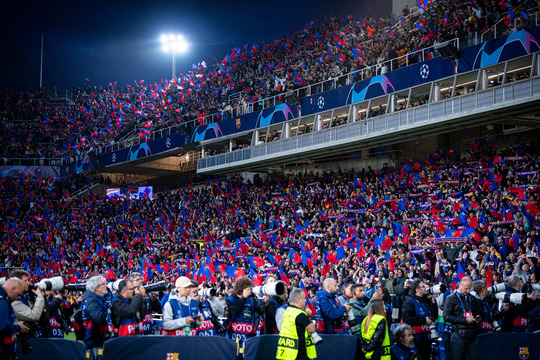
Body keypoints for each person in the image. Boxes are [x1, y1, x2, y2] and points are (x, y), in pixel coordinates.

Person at [443, 277, 481, 360]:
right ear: (459, 285)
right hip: (459, 334)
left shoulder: (472, 298)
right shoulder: (451, 298)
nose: (467, 291)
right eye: (466, 288)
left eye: (469, 289)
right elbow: (446, 317)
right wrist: (465, 320)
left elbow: (479, 312)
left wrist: (478, 318)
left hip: (472, 334)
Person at [276, 288, 317, 360]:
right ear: (298, 300)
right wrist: (308, 316)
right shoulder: (300, 314)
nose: (305, 300)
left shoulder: (287, 311)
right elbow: (312, 328)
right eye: (304, 298)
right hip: (299, 353)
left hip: (287, 352)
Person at [401, 280, 437, 360]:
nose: (426, 288)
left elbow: (434, 316)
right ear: (418, 290)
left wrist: (433, 302)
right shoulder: (409, 302)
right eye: (423, 286)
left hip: (428, 336)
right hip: (416, 338)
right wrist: (424, 320)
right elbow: (407, 319)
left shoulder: (426, 300)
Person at [226, 276, 264, 341]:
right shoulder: (231, 299)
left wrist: (264, 302)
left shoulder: (251, 299)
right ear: (241, 288)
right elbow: (234, 312)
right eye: (247, 287)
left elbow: (261, 311)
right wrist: (243, 298)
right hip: (234, 336)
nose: (249, 289)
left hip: (249, 336)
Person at [9, 270, 45, 337]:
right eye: (25, 281)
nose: (28, 283)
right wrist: (40, 297)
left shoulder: (24, 298)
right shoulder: (15, 303)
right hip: (19, 341)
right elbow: (34, 315)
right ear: (17, 283)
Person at [82, 276, 110, 360]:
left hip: (99, 338)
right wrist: (110, 312)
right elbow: (100, 318)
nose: (106, 285)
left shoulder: (98, 299)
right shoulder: (91, 300)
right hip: (94, 340)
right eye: (103, 284)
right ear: (96, 288)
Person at [0, 278, 29, 360]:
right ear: (12, 289)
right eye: (18, 295)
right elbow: (2, 326)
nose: (17, 298)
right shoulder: (3, 300)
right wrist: (18, 327)